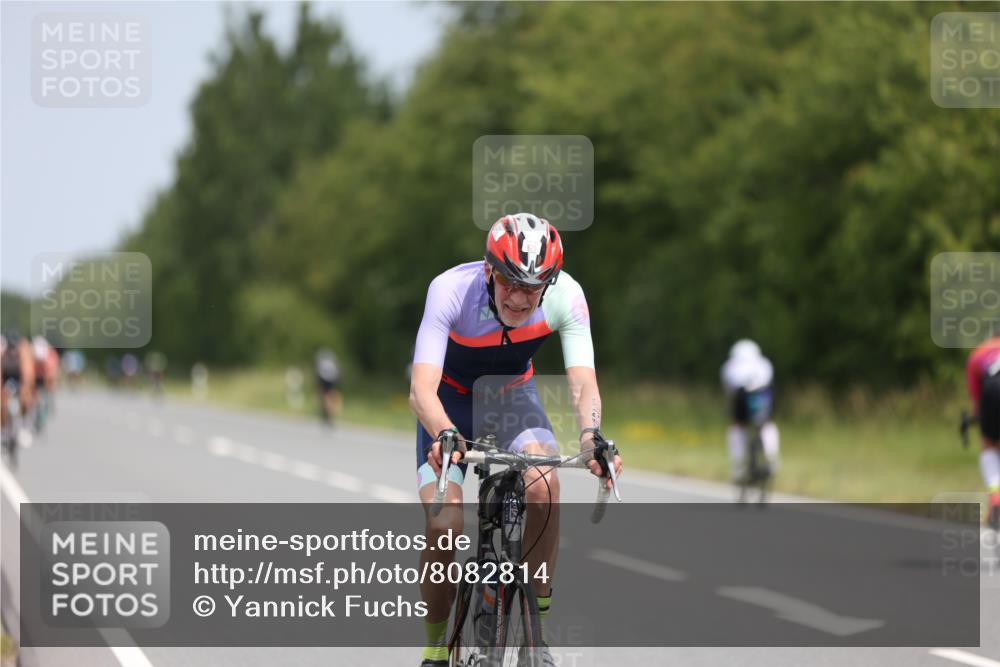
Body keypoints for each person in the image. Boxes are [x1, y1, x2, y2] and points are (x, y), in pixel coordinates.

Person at [409, 213, 622, 667]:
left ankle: (535, 637)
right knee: (445, 525)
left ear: (550, 282)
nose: (521, 297)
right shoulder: (450, 289)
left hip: (512, 396)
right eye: (510, 282)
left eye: (533, 286)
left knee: (545, 487)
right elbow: (420, 390)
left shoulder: (568, 296)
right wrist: (444, 433)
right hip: (449, 404)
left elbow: (584, 383)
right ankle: (433, 648)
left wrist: (592, 435)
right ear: (489, 271)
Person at [721, 339, 780, 482]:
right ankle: (772, 457)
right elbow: (769, 381)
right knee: (766, 425)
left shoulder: (729, 366)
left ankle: (738, 466)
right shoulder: (764, 363)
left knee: (738, 426)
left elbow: (729, 391)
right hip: (763, 395)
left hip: (742, 395)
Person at [965, 332, 1000, 530]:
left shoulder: (978, 353)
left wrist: (976, 417)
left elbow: (977, 401)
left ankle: (995, 496)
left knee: (989, 445)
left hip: (991, 389)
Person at [1, 331, 37, 453]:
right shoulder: (3, 354)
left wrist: (25, 388)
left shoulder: (23, 354)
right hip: (7, 378)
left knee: (26, 399)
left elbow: (27, 374)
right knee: (3, 404)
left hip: (19, 378)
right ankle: (4, 430)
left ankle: (24, 426)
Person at [314, 348, 343, 426]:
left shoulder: (321, 360)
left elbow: (318, 373)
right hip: (333, 378)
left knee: (324, 394)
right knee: (332, 393)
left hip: (325, 378)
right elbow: (338, 370)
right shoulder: (331, 360)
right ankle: (333, 408)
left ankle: (328, 410)